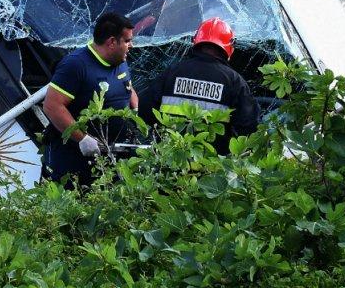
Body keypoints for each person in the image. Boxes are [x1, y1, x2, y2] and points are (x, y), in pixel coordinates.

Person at [42, 12, 139, 186]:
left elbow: (127, 86)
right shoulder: (76, 65)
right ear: (111, 42)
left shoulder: (120, 60)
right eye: (127, 41)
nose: (131, 45)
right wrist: (82, 138)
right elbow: (52, 106)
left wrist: (135, 111)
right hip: (74, 160)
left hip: (111, 157)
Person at [138, 17, 258, 155]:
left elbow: (145, 109)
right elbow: (249, 127)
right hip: (213, 166)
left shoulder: (172, 72)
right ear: (229, 47)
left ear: (196, 41)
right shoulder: (235, 81)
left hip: (171, 157)